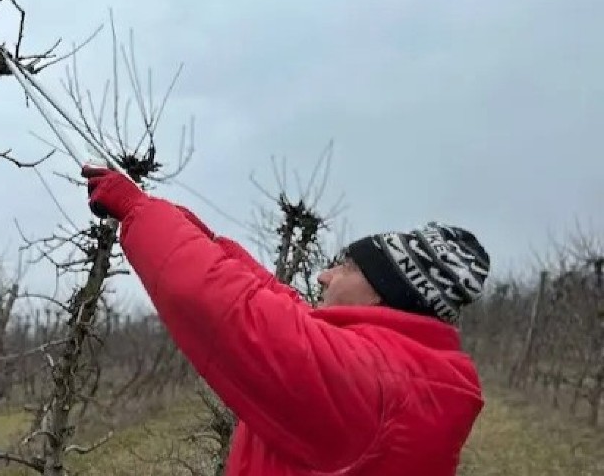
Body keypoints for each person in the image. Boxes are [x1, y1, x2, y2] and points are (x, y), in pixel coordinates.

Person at [81, 165, 491, 476]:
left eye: (347, 267)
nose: (324, 275)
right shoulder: (412, 373)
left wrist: (140, 213)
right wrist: (204, 240)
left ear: (385, 293)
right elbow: (284, 306)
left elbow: (232, 309)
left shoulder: (375, 387)